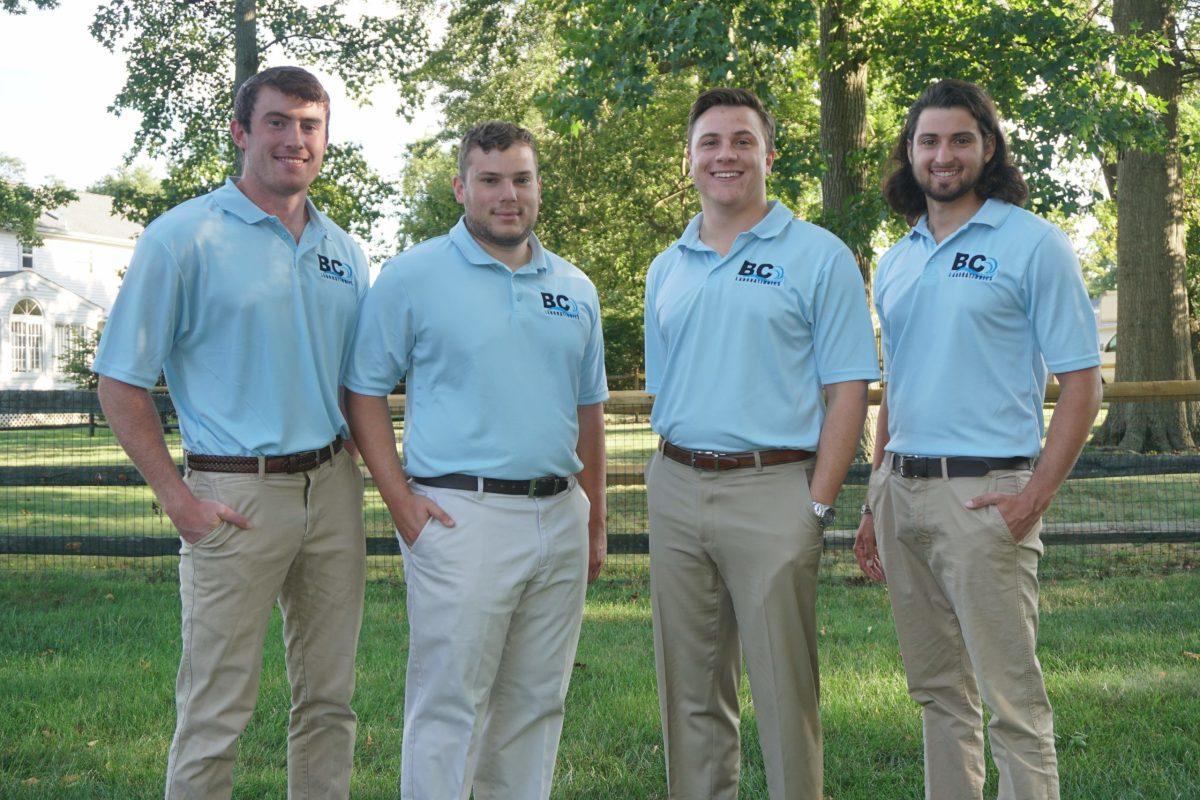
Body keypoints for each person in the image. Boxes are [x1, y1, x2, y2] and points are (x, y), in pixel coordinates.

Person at [92, 66, 369, 799]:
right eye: (277, 122)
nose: (295, 139)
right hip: (233, 494)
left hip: (334, 486)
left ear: (325, 140)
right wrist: (178, 499)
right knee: (216, 709)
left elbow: (357, 388)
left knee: (329, 702)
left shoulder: (345, 251)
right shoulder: (184, 237)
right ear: (242, 132)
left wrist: (392, 492)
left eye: (310, 126)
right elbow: (120, 380)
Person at [343, 120, 608, 800]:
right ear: (461, 187)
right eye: (489, 180)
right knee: (449, 705)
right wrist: (400, 502)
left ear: (538, 187)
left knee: (535, 702)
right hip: (461, 514)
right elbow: (364, 389)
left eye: (521, 178)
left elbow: (589, 411)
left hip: (559, 515)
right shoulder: (413, 276)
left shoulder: (574, 287)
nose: (507, 194)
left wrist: (595, 519)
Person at [854, 78, 1102, 800]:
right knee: (938, 694)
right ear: (909, 152)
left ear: (987, 148)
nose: (943, 155)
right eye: (928, 140)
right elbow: (894, 386)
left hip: (984, 497)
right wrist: (875, 496)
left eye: (960, 139)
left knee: (1012, 703)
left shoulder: (1031, 245)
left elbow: (1082, 384)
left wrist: (1034, 497)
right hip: (903, 493)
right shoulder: (896, 259)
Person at [644, 87, 879, 799]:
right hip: (676, 486)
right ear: (688, 160)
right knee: (688, 690)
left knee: (784, 693)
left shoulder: (818, 256)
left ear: (768, 156)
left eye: (741, 141)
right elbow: (670, 387)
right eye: (710, 142)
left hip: (775, 489)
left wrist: (814, 507)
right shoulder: (667, 267)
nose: (726, 154)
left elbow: (849, 390)